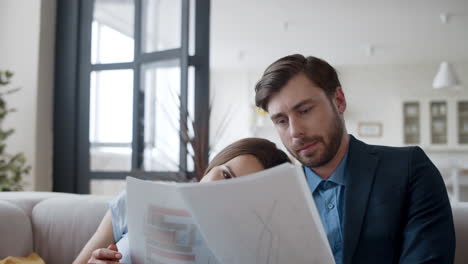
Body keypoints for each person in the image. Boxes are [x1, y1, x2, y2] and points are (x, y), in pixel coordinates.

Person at [254, 54, 456, 264]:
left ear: (339, 101)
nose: (295, 131)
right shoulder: (276, 196)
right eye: (281, 120)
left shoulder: (409, 169)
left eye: (305, 110)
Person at [73, 137, 290, 264]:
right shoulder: (135, 201)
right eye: (225, 175)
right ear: (213, 166)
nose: (221, 191)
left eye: (239, 193)